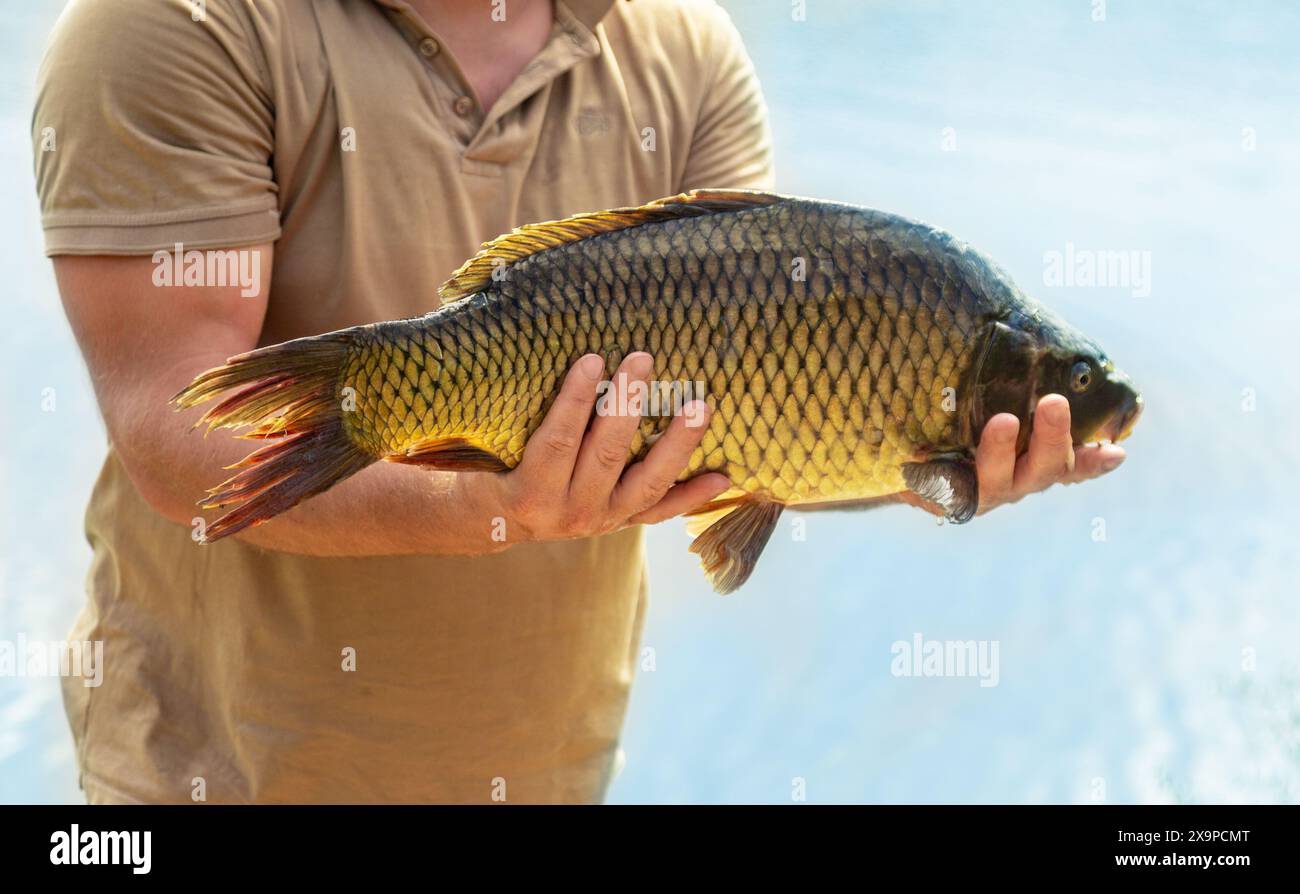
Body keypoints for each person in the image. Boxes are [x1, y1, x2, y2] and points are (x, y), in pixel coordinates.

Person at [32, 0, 1126, 804]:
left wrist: (934, 475)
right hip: (211, 777)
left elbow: (768, 431)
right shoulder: (169, 26)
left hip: (548, 769)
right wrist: (484, 508)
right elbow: (177, 440)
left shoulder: (686, 50)